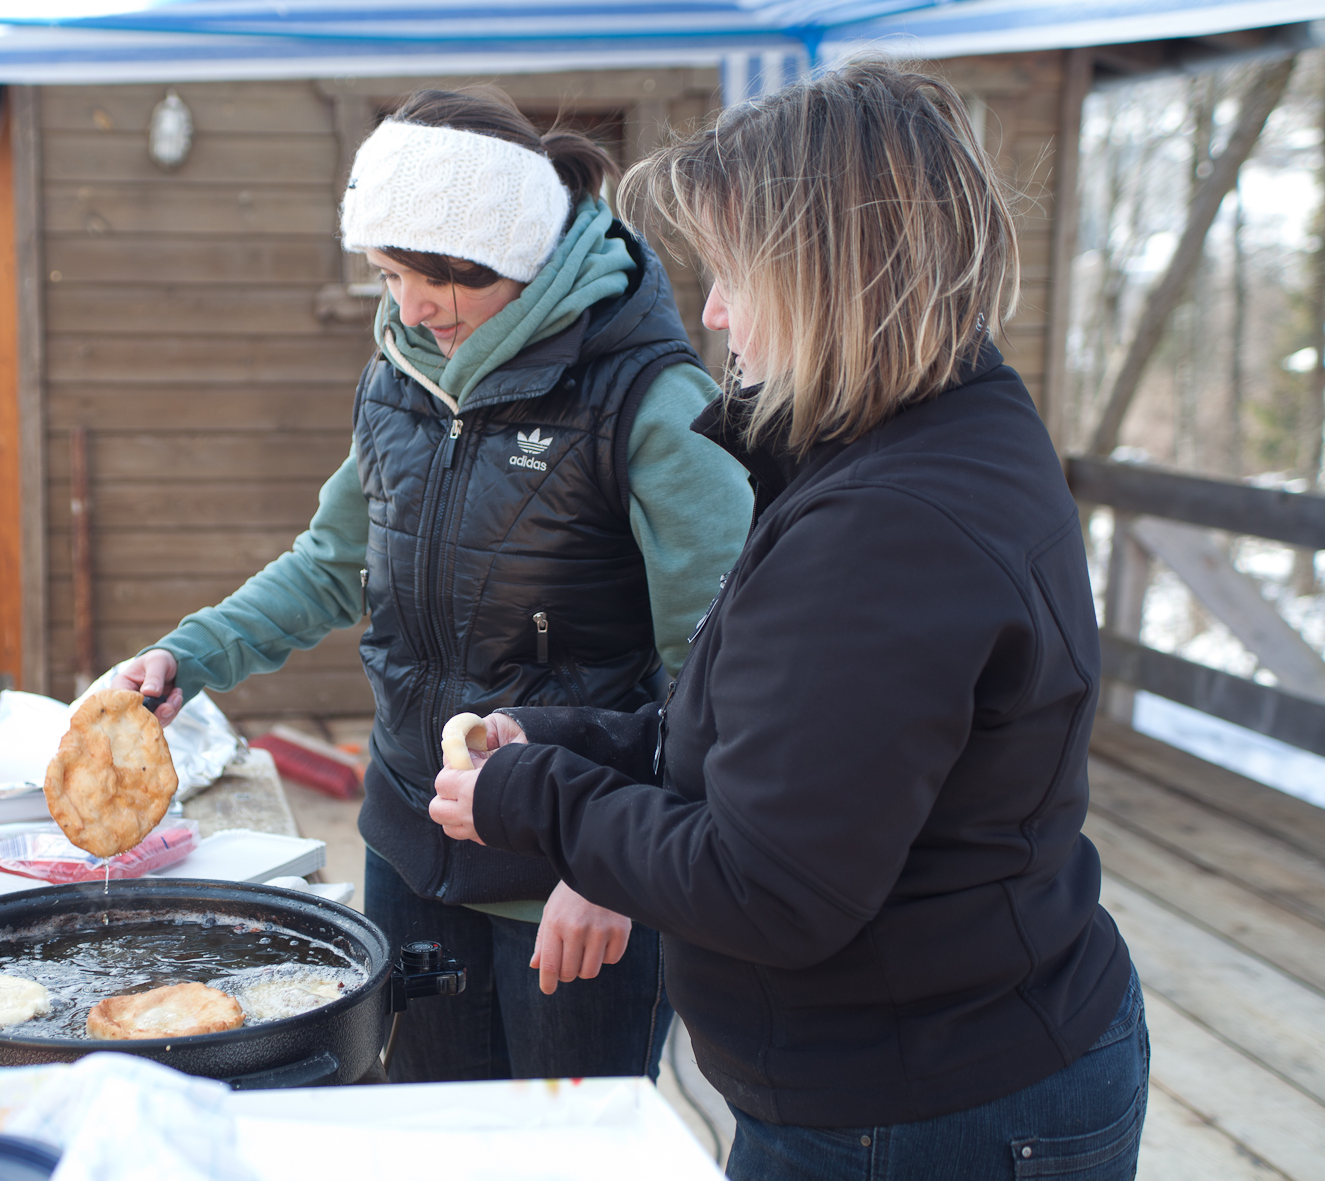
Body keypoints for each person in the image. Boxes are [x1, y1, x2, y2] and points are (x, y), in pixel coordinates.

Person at [429, 63, 1147, 1181]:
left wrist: (538, 797)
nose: (712, 311)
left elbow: (768, 885)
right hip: (938, 1056)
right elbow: (792, 749)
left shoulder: (888, 526)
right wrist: (574, 741)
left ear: (833, 276)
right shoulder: (930, 428)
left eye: (732, 273)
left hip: (923, 1108)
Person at [117, 87, 753, 1082]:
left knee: (561, 1148)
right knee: (421, 1124)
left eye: (438, 278)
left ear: (515, 258)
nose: (408, 307)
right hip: (409, 853)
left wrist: (619, 866)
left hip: (569, 878)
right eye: (388, 273)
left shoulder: (653, 404)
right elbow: (334, 562)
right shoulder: (400, 378)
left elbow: (725, 675)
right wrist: (188, 655)